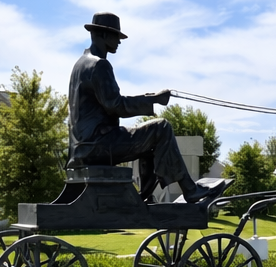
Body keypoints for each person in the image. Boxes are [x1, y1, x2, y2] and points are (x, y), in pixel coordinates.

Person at [68, 12, 230, 206]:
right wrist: (154, 100)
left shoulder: (80, 64)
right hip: (98, 145)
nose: (119, 42)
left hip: (82, 148)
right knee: (161, 128)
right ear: (103, 35)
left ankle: (143, 196)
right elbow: (115, 105)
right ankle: (190, 189)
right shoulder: (99, 65)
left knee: (149, 140)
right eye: (116, 37)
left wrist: (151, 98)